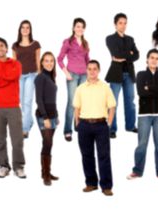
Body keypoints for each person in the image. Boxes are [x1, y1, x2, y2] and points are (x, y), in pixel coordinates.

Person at [73, 60, 116, 196]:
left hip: (101, 125)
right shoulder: (80, 88)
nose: (92, 71)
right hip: (84, 125)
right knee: (87, 156)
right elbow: (76, 107)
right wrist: (78, 123)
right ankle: (91, 183)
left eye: (94, 69)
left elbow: (112, 106)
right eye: (90, 69)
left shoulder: (105, 87)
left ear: (99, 70)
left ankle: (106, 186)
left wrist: (109, 122)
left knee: (104, 156)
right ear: (86, 70)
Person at [127, 49, 158, 182]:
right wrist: (156, 89)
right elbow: (141, 92)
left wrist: (149, 87)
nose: (154, 60)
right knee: (142, 144)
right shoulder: (140, 74)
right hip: (144, 115)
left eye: (157, 58)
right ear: (147, 59)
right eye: (152, 57)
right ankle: (137, 171)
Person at [0, 37, 26, 179]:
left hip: (13, 107)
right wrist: (7, 79)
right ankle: (3, 166)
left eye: (1, 45)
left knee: (17, 140)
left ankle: (18, 166)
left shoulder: (16, 64)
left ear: (6, 48)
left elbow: (14, 75)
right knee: (0, 140)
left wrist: (0, 78)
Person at [105, 13, 139, 139]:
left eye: (125, 23)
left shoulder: (130, 39)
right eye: (120, 23)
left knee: (130, 101)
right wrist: (128, 54)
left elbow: (137, 55)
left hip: (129, 74)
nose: (123, 25)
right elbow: (116, 54)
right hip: (116, 75)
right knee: (113, 103)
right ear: (115, 24)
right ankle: (111, 128)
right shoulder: (110, 38)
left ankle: (130, 126)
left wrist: (124, 55)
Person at [57, 17, 90, 142]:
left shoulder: (86, 43)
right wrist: (66, 73)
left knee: (81, 103)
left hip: (84, 75)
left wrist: (89, 74)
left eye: (82, 27)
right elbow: (59, 59)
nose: (80, 29)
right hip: (72, 74)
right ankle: (67, 130)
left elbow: (87, 60)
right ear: (73, 28)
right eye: (77, 26)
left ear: (84, 29)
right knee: (72, 103)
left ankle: (78, 125)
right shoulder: (68, 42)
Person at [12, 20, 41, 138]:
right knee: (21, 102)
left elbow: (38, 61)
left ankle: (24, 129)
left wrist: (40, 75)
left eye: (27, 27)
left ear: (30, 30)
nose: (25, 29)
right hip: (19, 76)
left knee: (27, 101)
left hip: (31, 75)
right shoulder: (15, 45)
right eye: (23, 27)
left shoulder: (35, 44)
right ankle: (29, 122)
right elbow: (14, 63)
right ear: (20, 30)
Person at [35, 52, 60, 186]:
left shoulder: (51, 77)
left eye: (51, 61)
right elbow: (39, 99)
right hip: (44, 116)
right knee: (47, 144)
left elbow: (52, 99)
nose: (49, 63)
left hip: (53, 116)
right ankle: (45, 175)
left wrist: (56, 116)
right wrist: (45, 117)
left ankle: (46, 172)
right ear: (42, 63)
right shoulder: (40, 78)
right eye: (46, 61)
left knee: (49, 144)